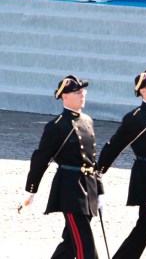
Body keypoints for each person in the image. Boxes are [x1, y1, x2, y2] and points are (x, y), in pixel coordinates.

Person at [20, 75, 103, 259]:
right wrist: (30, 192)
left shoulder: (87, 120)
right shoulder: (56, 126)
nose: (82, 94)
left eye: (83, 91)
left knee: (71, 244)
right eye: (77, 92)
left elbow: (92, 161)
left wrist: (100, 191)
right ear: (64, 96)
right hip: (70, 190)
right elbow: (40, 159)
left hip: (88, 189)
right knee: (85, 247)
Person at [97, 69, 146, 259]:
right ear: (142, 91)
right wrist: (98, 173)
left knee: (142, 232)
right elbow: (114, 145)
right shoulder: (136, 118)